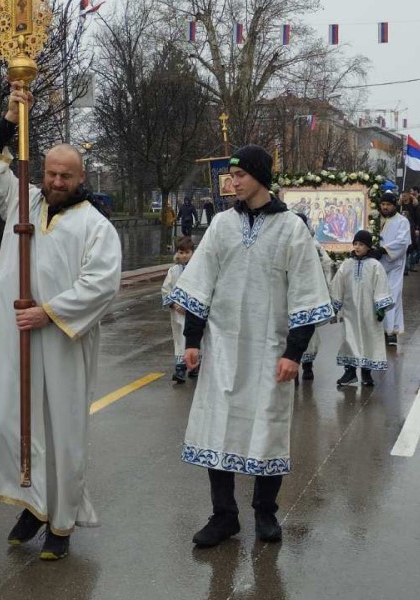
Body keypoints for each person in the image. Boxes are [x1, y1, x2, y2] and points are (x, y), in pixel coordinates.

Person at [0, 81, 124, 561]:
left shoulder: (95, 226)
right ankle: (31, 505)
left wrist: (49, 312)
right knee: (10, 423)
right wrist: (10, 119)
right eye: (52, 173)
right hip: (15, 342)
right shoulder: (24, 200)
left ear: (81, 178)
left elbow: (102, 283)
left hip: (59, 343)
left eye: (66, 176)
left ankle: (61, 523)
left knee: (60, 433)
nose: (57, 182)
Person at [170, 144, 332, 548]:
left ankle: (265, 512)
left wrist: (294, 353)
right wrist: (192, 341)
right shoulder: (222, 225)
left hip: (269, 349)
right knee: (217, 427)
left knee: (267, 428)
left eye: (240, 174)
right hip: (223, 346)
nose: (233, 181)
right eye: (232, 175)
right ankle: (224, 516)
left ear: (259, 176)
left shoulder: (292, 228)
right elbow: (200, 282)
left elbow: (306, 293)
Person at [332, 230, 393, 387]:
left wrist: (380, 307)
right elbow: (338, 284)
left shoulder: (375, 266)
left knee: (368, 338)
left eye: (362, 244)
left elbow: (381, 286)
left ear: (368, 247)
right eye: (356, 244)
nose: (358, 247)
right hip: (350, 310)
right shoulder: (346, 265)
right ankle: (350, 372)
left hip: (369, 311)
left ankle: (367, 373)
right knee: (349, 338)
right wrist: (335, 305)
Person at [297, 213, 334, 383]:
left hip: (308, 293)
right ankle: (295, 366)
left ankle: (307, 366)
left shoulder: (314, 245)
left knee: (307, 329)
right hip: (291, 293)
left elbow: (326, 264)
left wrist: (323, 286)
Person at [377, 191, 412, 345]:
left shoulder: (402, 221)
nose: (385, 207)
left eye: (388, 205)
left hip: (394, 265)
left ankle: (391, 331)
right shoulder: (374, 218)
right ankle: (376, 330)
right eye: (383, 204)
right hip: (375, 264)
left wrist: (384, 250)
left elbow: (403, 242)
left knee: (392, 297)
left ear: (394, 205)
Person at [162, 236, 196, 383]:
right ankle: (180, 369)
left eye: (187, 252)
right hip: (178, 312)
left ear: (193, 252)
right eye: (181, 252)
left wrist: (192, 305)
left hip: (194, 312)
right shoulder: (173, 271)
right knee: (180, 338)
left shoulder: (199, 269)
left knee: (195, 338)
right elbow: (166, 289)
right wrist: (174, 304)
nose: (184, 256)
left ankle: (194, 366)